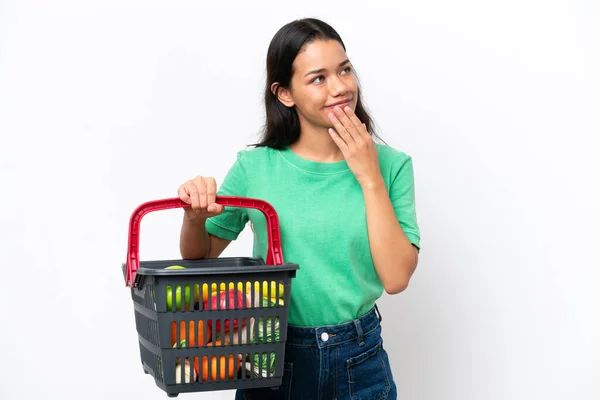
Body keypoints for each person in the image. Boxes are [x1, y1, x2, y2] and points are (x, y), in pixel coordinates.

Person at [177, 17, 420, 400]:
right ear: (285, 94)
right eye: (318, 78)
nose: (340, 87)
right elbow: (198, 256)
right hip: (271, 356)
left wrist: (370, 178)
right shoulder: (255, 168)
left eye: (344, 70)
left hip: (359, 358)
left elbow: (395, 279)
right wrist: (193, 217)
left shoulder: (392, 166)